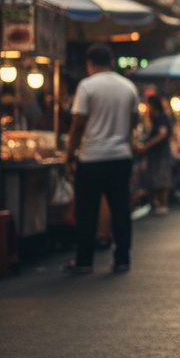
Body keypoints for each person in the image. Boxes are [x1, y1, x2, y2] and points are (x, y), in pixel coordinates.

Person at [63, 44, 140, 274]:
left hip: (92, 158)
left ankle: (84, 260)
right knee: (120, 209)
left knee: (87, 211)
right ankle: (122, 258)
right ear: (112, 62)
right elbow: (134, 120)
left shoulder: (87, 86)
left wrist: (69, 155)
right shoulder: (128, 87)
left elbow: (77, 124)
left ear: (90, 63)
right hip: (120, 157)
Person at [135, 94, 172, 214]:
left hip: (161, 154)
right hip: (156, 154)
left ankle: (163, 204)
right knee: (155, 179)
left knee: (161, 179)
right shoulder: (155, 118)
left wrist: (148, 145)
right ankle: (155, 203)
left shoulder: (161, 118)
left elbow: (162, 134)